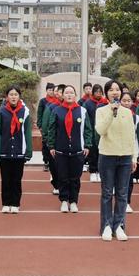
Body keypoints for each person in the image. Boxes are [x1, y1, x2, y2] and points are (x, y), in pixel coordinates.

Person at [95, 80, 136, 241]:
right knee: (106, 193)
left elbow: (131, 136)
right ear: (106, 94)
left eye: (117, 89)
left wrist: (133, 156)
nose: (115, 92)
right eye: (111, 90)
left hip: (125, 157)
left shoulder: (128, 112)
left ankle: (119, 225)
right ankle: (106, 225)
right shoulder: (101, 111)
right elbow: (100, 130)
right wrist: (112, 113)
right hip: (107, 156)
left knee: (122, 193)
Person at [47, 85, 92, 213]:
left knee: (75, 178)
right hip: (61, 150)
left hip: (78, 150)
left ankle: (73, 201)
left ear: (75, 95)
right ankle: (64, 200)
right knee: (62, 177)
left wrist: (87, 145)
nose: (69, 95)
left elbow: (88, 130)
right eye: (66, 93)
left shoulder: (82, 111)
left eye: (71, 92)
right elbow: (52, 129)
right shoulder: (57, 111)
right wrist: (51, 146)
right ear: (63, 95)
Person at [0, 85, 32, 213]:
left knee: (17, 179)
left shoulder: (25, 112)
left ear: (19, 97)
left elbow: (27, 132)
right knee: (5, 179)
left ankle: (15, 203)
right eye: (11, 94)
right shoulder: (1, 112)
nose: (13, 97)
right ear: (7, 97)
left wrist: (28, 151)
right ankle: (6, 203)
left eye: (16, 94)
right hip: (4, 150)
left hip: (19, 151)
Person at [121, 92, 139, 213]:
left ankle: (127, 202)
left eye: (129, 101)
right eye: (124, 100)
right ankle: (119, 202)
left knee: (128, 180)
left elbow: (138, 137)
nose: (126, 103)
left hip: (129, 152)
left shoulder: (136, 118)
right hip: (115, 152)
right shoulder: (113, 115)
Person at [39, 84, 63, 193]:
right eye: (57, 91)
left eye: (60, 91)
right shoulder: (51, 106)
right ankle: (56, 185)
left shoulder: (75, 108)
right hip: (53, 141)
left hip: (66, 143)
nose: (57, 93)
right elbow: (45, 124)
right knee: (54, 164)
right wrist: (47, 139)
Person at [83, 84, 107, 182]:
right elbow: (85, 117)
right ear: (93, 92)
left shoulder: (106, 103)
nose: (98, 93)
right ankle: (93, 171)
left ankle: (100, 172)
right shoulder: (88, 103)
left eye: (100, 91)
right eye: (96, 91)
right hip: (92, 131)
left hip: (102, 132)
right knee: (92, 152)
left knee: (101, 153)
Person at [37, 83, 58, 173]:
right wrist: (40, 125)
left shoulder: (57, 101)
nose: (51, 92)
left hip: (54, 127)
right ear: (46, 91)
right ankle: (46, 161)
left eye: (53, 90)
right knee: (45, 145)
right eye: (49, 90)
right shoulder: (43, 101)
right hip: (45, 127)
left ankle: (53, 162)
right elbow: (40, 114)